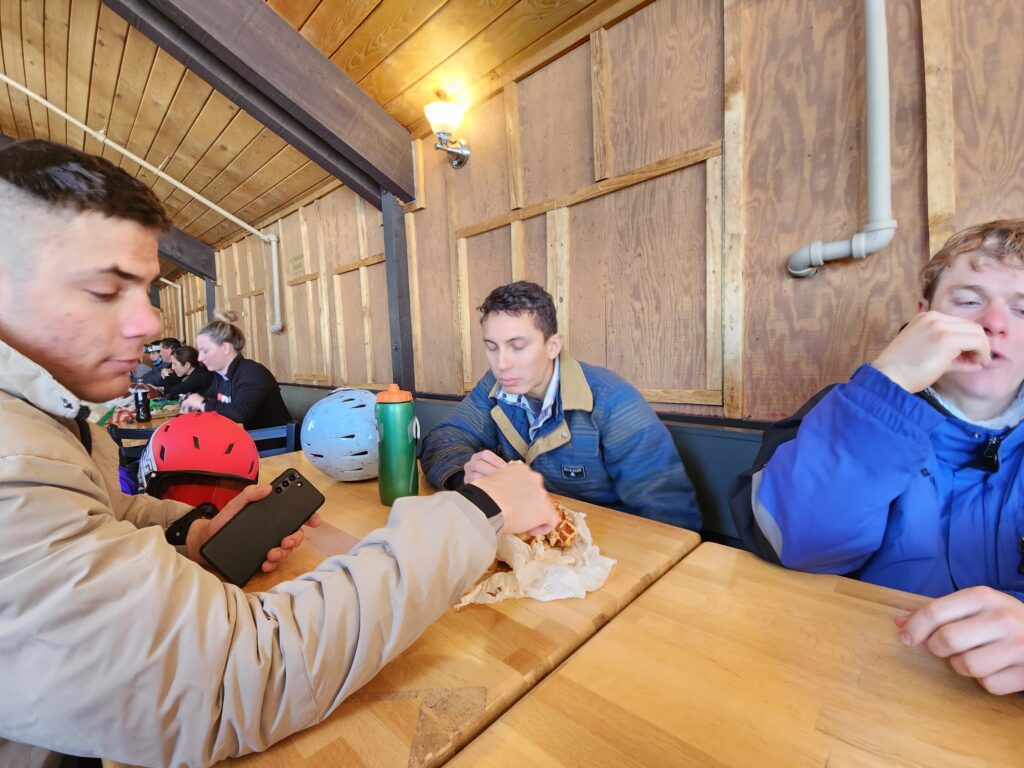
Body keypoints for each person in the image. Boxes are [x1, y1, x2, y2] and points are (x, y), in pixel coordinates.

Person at [0, 139, 560, 767]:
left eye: (147, 291)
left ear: (554, 344)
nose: (151, 325)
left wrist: (188, 532)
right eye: (107, 290)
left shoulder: (49, 421)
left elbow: (95, 519)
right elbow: (238, 678)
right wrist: (475, 501)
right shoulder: (11, 460)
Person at [729, 220, 1024, 695]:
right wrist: (889, 384)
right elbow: (796, 544)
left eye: (1022, 308)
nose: (994, 322)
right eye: (968, 300)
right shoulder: (850, 408)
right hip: (852, 681)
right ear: (924, 315)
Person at [421, 281, 701, 530]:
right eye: (492, 347)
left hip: (610, 551)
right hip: (529, 542)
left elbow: (671, 520)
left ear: (553, 345)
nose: (501, 364)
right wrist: (465, 476)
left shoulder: (614, 402)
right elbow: (442, 439)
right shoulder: (494, 386)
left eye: (517, 346)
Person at [180, 313, 292, 430]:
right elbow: (215, 404)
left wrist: (202, 403)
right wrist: (197, 407)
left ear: (225, 348)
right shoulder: (220, 376)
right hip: (238, 440)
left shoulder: (253, 373)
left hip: (269, 444)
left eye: (205, 351)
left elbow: (239, 414)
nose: (200, 358)